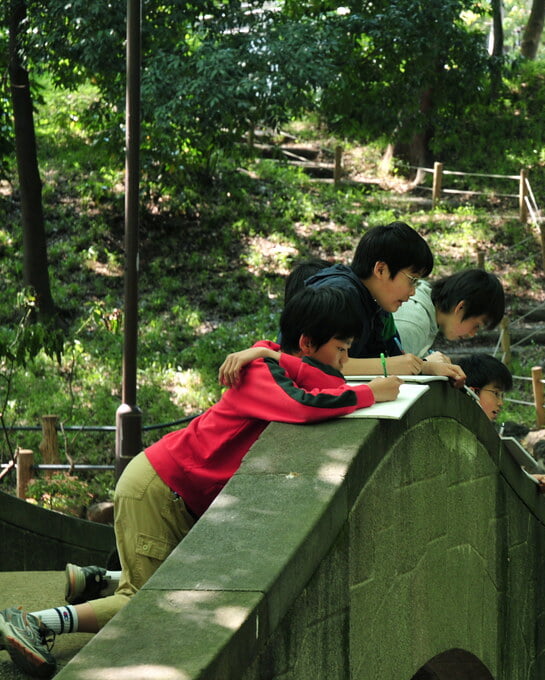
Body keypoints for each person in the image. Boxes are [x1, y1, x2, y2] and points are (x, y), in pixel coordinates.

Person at [0, 286, 400, 679]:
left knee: (185, 584)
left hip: (172, 491)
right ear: (307, 343)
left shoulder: (271, 364)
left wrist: (271, 353)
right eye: (341, 349)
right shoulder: (260, 373)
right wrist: (369, 394)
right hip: (159, 490)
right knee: (146, 605)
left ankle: (96, 580)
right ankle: (35, 622)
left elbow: (327, 385)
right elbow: (307, 405)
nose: (345, 361)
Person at [302, 221, 463, 385]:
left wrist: (426, 366)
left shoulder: (379, 305)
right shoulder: (338, 296)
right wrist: (387, 366)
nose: (413, 292)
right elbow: (313, 363)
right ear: (381, 270)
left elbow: (396, 358)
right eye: (412, 280)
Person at [459, 354, 545, 494]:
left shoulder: (485, 433)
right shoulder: (455, 432)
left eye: (502, 395)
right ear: (472, 391)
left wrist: (528, 480)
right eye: (495, 393)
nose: (501, 403)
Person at [393, 269, 505, 359]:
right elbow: (390, 371)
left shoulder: (428, 314)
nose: (472, 334)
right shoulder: (413, 323)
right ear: (461, 307)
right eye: (477, 325)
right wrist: (426, 365)